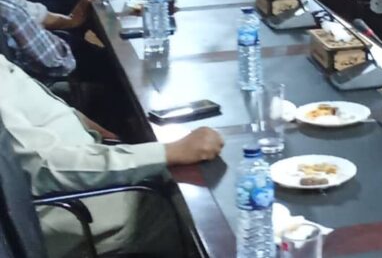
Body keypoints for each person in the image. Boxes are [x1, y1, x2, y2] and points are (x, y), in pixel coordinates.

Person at [0, 53, 224, 257]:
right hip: (72, 212)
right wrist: (167, 152)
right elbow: (47, 167)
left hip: (81, 179)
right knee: (196, 216)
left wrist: (77, 118)